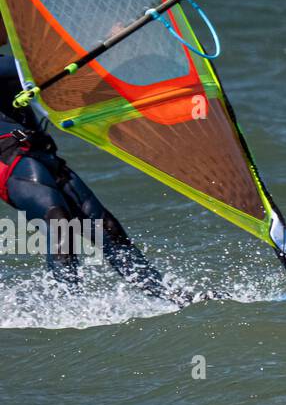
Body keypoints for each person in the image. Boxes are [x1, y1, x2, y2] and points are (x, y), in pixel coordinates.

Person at [0, 45, 174, 299]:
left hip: (40, 154)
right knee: (59, 222)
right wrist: (109, 45)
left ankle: (168, 296)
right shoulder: (11, 67)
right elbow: (34, 67)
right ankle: (67, 306)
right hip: (8, 160)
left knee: (106, 227)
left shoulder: (12, 65)